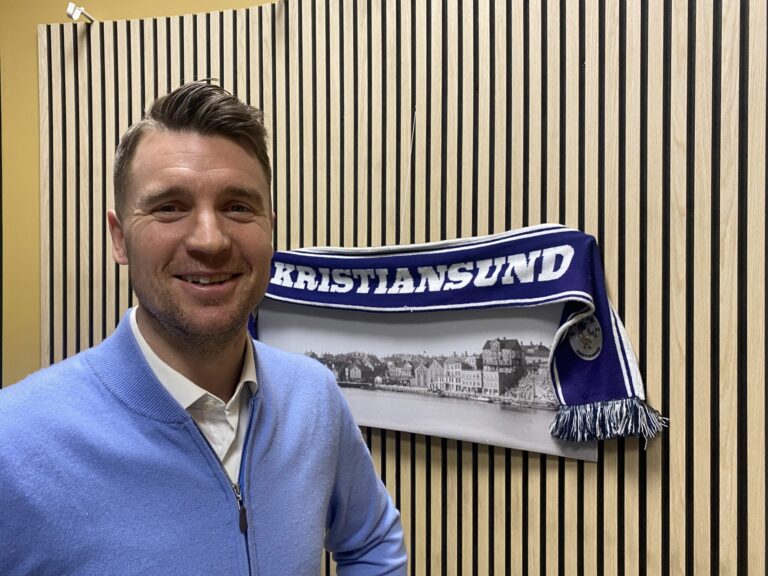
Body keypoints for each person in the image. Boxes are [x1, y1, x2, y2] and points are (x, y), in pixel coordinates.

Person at [0, 82, 407, 575]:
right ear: (119, 237)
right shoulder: (15, 442)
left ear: (270, 229)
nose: (211, 241)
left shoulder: (313, 396)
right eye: (170, 207)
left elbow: (372, 541)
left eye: (238, 207)